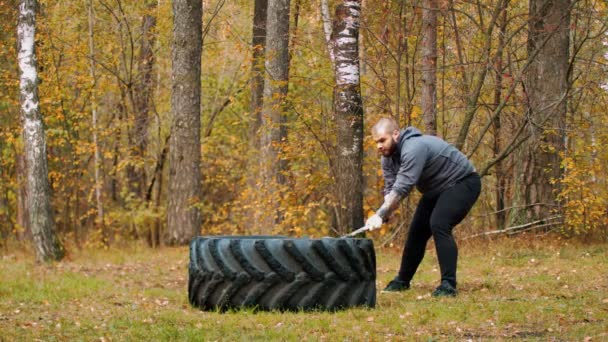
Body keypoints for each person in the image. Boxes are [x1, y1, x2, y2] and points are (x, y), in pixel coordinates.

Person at [365, 117, 481, 297]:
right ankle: (402, 281)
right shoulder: (387, 159)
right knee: (417, 231)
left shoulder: (414, 147)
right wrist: (385, 215)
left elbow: (403, 186)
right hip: (436, 189)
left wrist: (380, 213)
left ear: (396, 134)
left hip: (463, 182)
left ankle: (448, 285)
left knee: (439, 224)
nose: (379, 146)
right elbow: (390, 189)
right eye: (376, 142)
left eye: (382, 140)